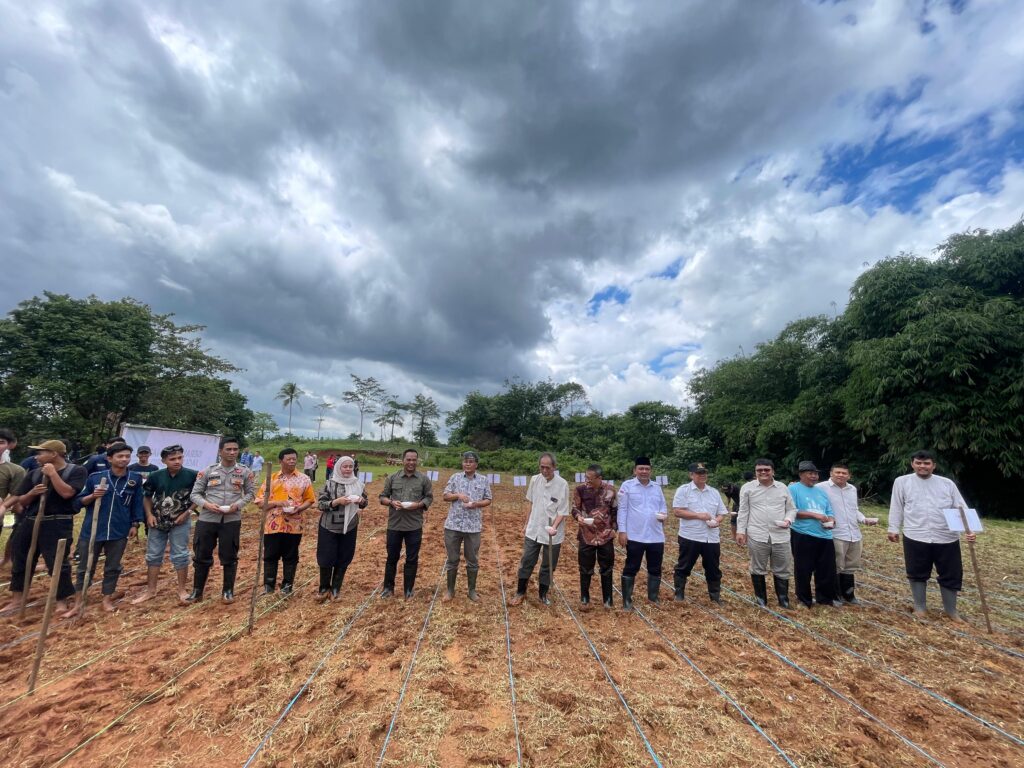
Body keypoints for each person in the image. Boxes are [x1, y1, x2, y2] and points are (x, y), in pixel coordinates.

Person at [888, 450, 976, 620]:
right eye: (919, 463)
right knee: (916, 571)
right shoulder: (902, 482)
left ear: (933, 465)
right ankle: (920, 607)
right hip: (915, 534)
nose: (923, 466)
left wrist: (970, 530)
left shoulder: (947, 484)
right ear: (912, 464)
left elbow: (961, 508)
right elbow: (897, 506)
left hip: (946, 536)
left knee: (951, 573)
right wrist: (893, 528)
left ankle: (951, 611)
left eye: (927, 463)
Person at [1, 440, 87, 613]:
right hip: (31, 520)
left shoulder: (76, 471)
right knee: (21, 558)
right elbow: (21, 500)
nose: (36, 456)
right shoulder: (33, 473)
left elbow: (67, 493)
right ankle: (18, 599)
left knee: (56, 561)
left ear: (54, 454)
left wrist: (53, 475)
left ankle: (61, 600)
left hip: (57, 522)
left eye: (41, 453)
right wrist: (32, 493)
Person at [62, 443, 145, 616]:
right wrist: (93, 496)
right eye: (120, 456)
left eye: (127, 456)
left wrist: (135, 524)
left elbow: (137, 503)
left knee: (113, 566)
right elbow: (78, 501)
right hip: (92, 530)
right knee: (85, 567)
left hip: (119, 530)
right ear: (109, 458)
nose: (124, 459)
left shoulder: (134, 479)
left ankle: (106, 599)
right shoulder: (95, 477)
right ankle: (79, 602)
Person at [188, 437, 256, 604]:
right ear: (220, 451)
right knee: (201, 554)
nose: (232, 452)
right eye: (228, 449)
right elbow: (194, 494)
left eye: (235, 449)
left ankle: (227, 591)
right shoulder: (207, 471)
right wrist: (207, 505)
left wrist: (238, 505)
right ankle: (197, 592)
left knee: (229, 555)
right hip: (207, 519)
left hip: (231, 519)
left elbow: (251, 493)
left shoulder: (245, 472)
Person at [131, 445, 198, 604]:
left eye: (179, 458)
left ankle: (182, 590)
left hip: (180, 520)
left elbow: (198, 497)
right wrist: (149, 515)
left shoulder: (192, 476)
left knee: (180, 554)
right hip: (157, 521)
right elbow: (147, 497)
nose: (177, 461)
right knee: (153, 554)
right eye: (172, 459)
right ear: (163, 460)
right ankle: (151, 590)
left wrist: (186, 513)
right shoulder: (155, 476)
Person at [509, 453, 570, 606]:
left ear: (554, 467)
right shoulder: (535, 480)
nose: (544, 471)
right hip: (533, 528)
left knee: (548, 564)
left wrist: (554, 527)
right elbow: (529, 502)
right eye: (541, 467)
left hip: (552, 532)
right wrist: (526, 523)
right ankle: (520, 592)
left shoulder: (562, 484)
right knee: (527, 560)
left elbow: (563, 511)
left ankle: (543, 594)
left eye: (547, 468)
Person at [737, 458, 797, 608]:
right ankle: (761, 599)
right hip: (757, 534)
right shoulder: (748, 488)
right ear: (756, 472)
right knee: (758, 567)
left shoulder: (782, 487)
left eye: (766, 470)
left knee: (782, 568)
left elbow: (791, 508)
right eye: (759, 470)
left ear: (773, 471)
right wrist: (740, 531)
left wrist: (788, 520)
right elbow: (743, 511)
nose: (763, 472)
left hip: (780, 534)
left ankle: (783, 600)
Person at [255, 448, 316, 595]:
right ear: (280, 461)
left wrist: (299, 508)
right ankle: (268, 586)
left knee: (291, 555)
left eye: (294, 458)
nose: (292, 461)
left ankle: (287, 586)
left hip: (294, 524)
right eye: (289, 459)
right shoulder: (272, 478)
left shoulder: (304, 479)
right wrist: (277, 503)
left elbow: (310, 500)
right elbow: (258, 502)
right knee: (270, 555)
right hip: (272, 524)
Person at [818, 462, 875, 605]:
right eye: (837, 472)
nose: (840, 475)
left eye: (844, 473)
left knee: (851, 565)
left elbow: (854, 509)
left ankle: (849, 595)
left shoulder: (852, 489)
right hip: (835, 532)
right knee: (836, 565)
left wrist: (864, 519)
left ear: (849, 475)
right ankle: (834, 595)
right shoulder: (821, 488)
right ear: (831, 473)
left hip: (854, 533)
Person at [379, 448, 433, 598]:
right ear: (403, 460)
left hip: (414, 525)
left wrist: (419, 505)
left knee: (412, 558)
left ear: (417, 461)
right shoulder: (392, 477)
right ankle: (388, 588)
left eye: (414, 460)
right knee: (392, 557)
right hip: (395, 525)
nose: (411, 462)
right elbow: (382, 497)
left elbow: (429, 497)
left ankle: (408, 589)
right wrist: (391, 502)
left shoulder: (423, 479)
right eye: (408, 459)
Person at [672, 462, 728, 604]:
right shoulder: (683, 490)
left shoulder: (714, 492)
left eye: (704, 472)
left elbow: (722, 513)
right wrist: (698, 516)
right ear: (691, 475)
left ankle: (715, 597)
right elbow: (677, 511)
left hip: (711, 538)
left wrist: (717, 521)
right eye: (698, 473)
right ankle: (679, 594)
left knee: (713, 568)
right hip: (690, 536)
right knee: (684, 566)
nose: (702, 475)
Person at [617, 457, 668, 610]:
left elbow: (663, 507)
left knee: (655, 567)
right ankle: (627, 600)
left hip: (655, 535)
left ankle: (653, 597)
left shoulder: (657, 487)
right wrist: (622, 531)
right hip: (635, 534)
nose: (644, 471)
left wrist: (663, 515)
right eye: (641, 468)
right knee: (631, 566)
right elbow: (623, 509)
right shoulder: (627, 486)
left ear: (650, 471)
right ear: (635, 470)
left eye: (647, 469)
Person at [441, 451, 493, 602]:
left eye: (470, 461)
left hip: (473, 527)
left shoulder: (483, 480)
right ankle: (450, 590)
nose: (467, 464)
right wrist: (457, 495)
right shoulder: (455, 477)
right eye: (465, 461)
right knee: (452, 559)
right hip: (453, 525)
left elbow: (488, 499)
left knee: (472, 559)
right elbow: (445, 496)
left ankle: (472, 591)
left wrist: (476, 504)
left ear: (476, 464)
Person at [788, 461, 841, 609]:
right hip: (803, 533)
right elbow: (792, 511)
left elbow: (829, 511)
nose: (814, 476)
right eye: (810, 473)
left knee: (826, 568)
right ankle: (804, 599)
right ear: (801, 475)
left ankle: (824, 599)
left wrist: (831, 519)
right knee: (803, 568)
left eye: (816, 473)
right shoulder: (793, 489)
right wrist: (815, 515)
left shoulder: (821, 492)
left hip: (825, 534)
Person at [316, 456, 367, 600]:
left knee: (344, 556)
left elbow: (364, 503)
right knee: (326, 557)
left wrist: (362, 501)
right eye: (345, 467)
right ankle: (324, 588)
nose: (348, 469)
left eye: (350, 467)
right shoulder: (329, 484)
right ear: (338, 467)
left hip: (350, 525)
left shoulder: (359, 484)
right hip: (329, 526)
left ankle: (336, 588)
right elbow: (320, 504)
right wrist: (336, 502)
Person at [570, 463, 618, 607]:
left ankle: (608, 599)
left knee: (607, 568)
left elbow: (615, 511)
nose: (587, 480)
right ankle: (585, 597)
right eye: (586, 477)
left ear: (600, 478)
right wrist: (578, 517)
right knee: (585, 567)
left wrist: (615, 528)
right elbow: (574, 508)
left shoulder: (610, 490)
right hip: (586, 535)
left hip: (606, 535)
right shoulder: (580, 490)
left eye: (590, 478)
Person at [0, 429, 27, 568]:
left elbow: (17, 494)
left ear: (9, 445)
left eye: (1, 442)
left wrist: (4, 506)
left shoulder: (15, 470)